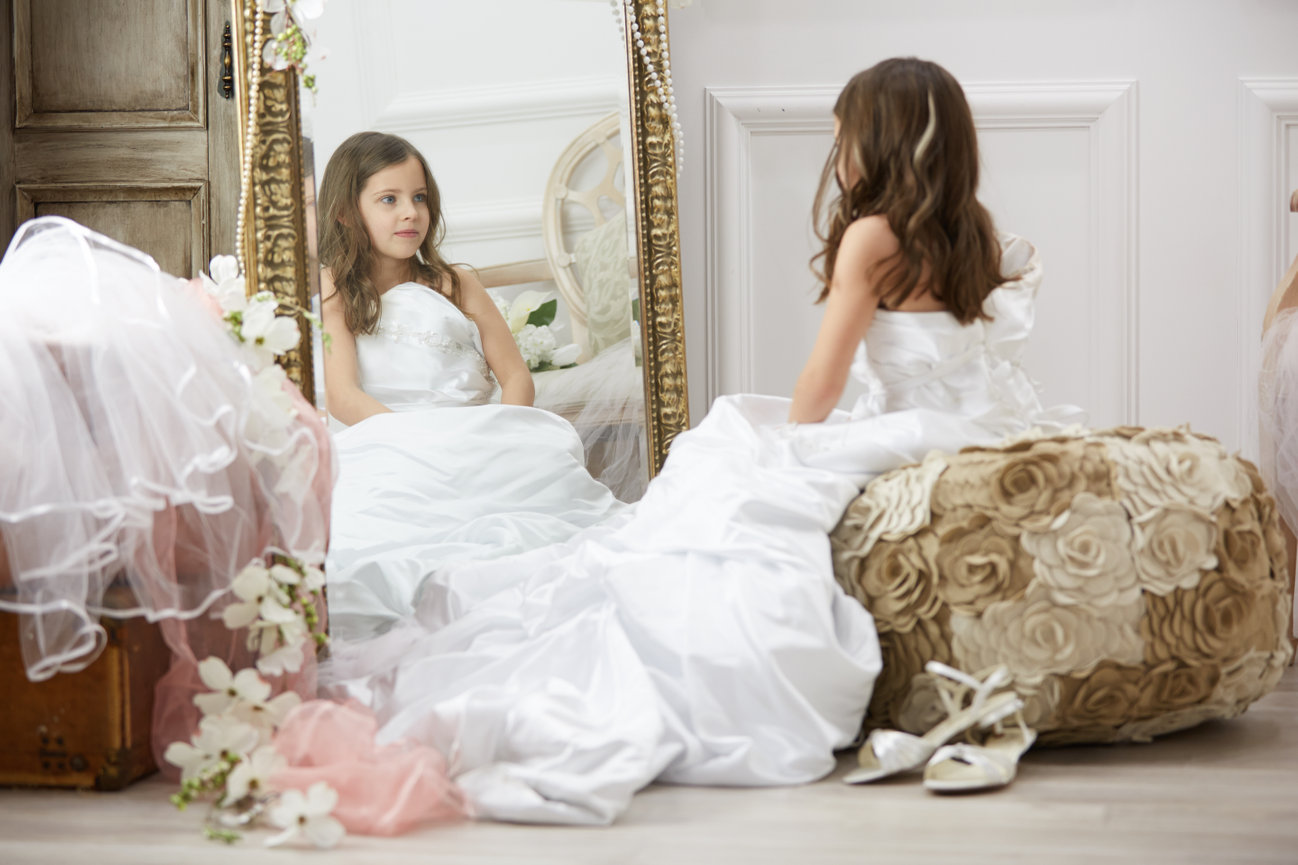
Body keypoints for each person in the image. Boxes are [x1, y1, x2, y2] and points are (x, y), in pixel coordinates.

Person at [286, 57, 1083, 829]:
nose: (836, 156)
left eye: (843, 138)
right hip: (971, 417)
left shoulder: (870, 235)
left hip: (901, 420)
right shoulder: (969, 227)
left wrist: (792, 447)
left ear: (878, 145)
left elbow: (824, 381)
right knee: (725, 443)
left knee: (730, 443)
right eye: (389, 198)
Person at [314, 131, 627, 640]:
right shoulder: (335, 291)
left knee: (540, 502)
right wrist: (418, 443)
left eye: (419, 198)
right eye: (388, 200)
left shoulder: (455, 283)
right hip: (388, 438)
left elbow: (515, 375)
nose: (409, 213)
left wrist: (509, 427)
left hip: (476, 431)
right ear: (347, 212)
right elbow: (345, 397)